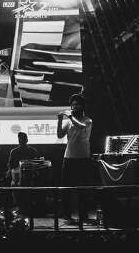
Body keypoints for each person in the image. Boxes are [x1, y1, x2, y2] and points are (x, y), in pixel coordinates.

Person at [57, 93, 93, 221]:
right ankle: (66, 213)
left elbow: (80, 127)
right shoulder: (69, 122)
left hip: (83, 157)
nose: (74, 107)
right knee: (66, 187)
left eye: (77, 104)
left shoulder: (88, 120)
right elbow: (60, 135)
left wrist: (70, 116)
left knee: (82, 188)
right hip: (69, 157)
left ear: (82, 106)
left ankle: (83, 214)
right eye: (73, 105)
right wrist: (60, 120)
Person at [7, 132, 39, 216]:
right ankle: (20, 207)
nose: (21, 141)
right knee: (15, 185)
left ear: (27, 140)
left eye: (23, 139)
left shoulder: (33, 151)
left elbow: (36, 165)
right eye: (20, 139)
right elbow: (10, 165)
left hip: (29, 176)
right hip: (17, 176)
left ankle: (25, 208)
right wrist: (11, 172)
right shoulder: (14, 151)